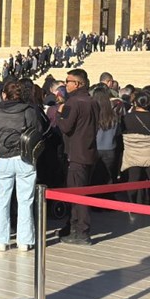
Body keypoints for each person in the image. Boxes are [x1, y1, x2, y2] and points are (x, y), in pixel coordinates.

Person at [0, 78, 44, 252]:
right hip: (24, 158)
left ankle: (1, 240)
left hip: (2, 159)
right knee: (25, 201)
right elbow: (37, 129)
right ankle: (25, 241)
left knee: (2, 201)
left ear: (3, 95)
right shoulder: (29, 111)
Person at [55, 69, 96, 245]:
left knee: (77, 194)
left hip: (76, 154)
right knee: (81, 191)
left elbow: (65, 127)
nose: (66, 84)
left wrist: (59, 113)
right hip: (88, 151)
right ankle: (74, 227)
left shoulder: (73, 102)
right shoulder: (92, 101)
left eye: (68, 81)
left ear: (78, 84)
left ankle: (82, 231)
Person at [119, 87, 150, 206]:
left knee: (134, 178)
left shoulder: (127, 118)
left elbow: (122, 132)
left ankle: (134, 202)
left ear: (135, 102)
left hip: (133, 153)